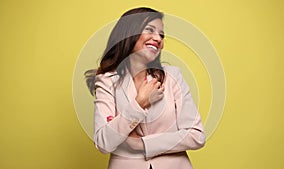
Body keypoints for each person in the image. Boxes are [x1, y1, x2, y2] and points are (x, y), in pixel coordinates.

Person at [86, 7, 206, 169]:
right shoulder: (107, 81)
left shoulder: (172, 77)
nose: (158, 38)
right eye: (150, 30)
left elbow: (196, 135)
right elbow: (103, 142)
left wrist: (141, 145)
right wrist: (139, 103)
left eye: (162, 35)